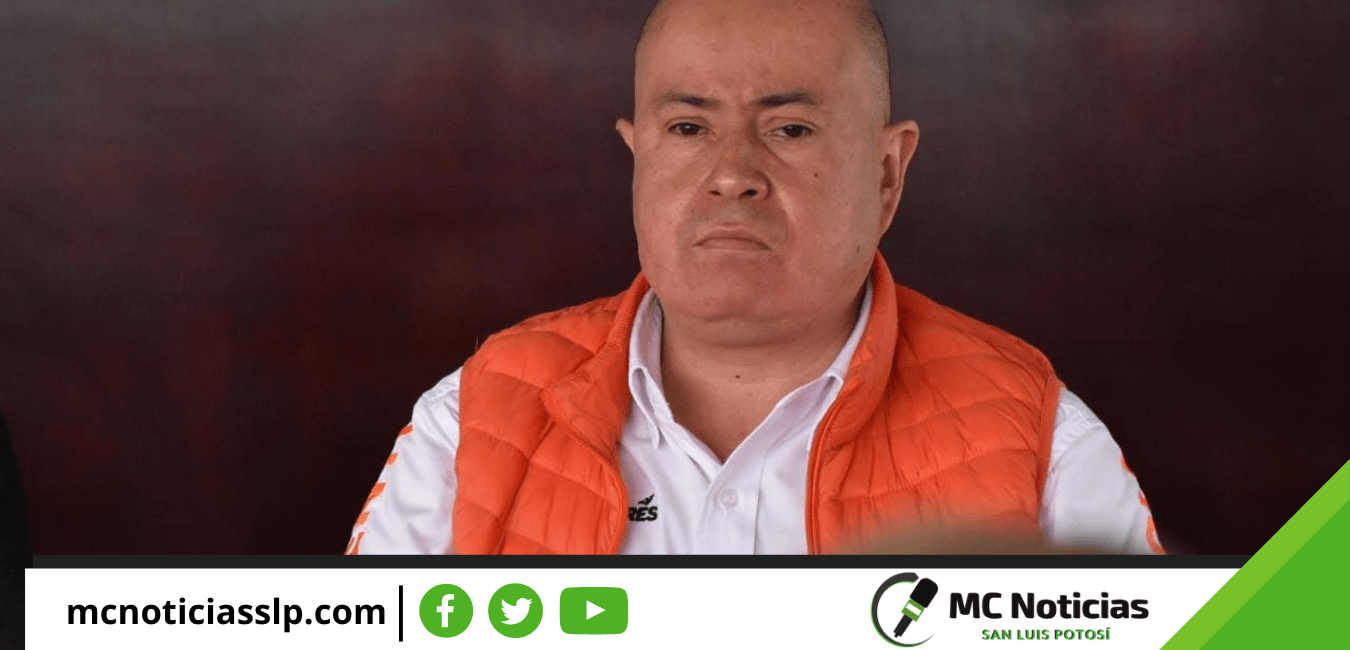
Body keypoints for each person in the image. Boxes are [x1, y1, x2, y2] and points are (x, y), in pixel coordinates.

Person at [345, 0, 1163, 555]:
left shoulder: (1038, 438)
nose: (732, 174)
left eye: (790, 128)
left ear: (887, 173)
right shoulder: (474, 418)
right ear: (637, 158)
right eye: (688, 127)